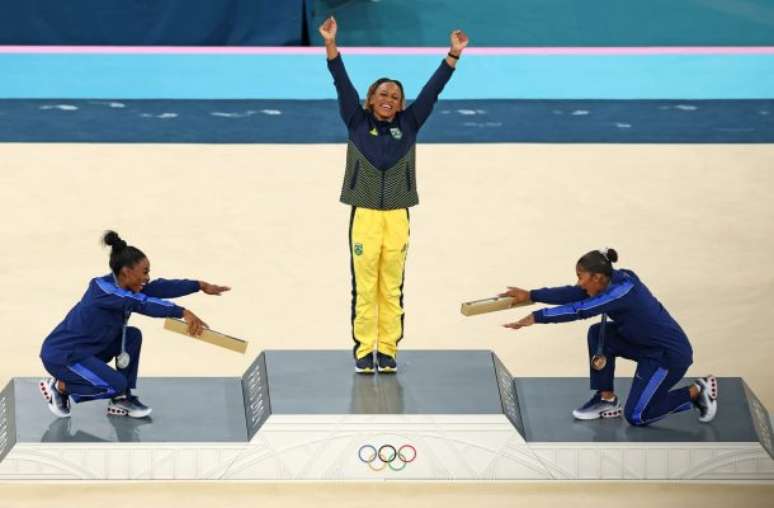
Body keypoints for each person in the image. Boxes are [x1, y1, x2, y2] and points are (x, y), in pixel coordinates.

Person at [319, 16, 469, 373]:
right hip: (365, 217)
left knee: (392, 286)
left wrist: (453, 55)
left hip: (398, 216)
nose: (389, 99)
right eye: (383, 94)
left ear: (402, 105)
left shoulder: (410, 123)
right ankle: (362, 349)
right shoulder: (356, 120)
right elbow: (341, 83)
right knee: (365, 285)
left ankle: (386, 350)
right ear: (370, 99)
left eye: (395, 97)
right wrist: (330, 45)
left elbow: (432, 91)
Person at [500, 248, 718, 426]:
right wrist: (531, 295)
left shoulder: (622, 291)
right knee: (598, 333)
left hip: (667, 356)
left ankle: (697, 391)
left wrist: (536, 317)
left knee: (637, 416)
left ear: (597, 277)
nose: (579, 283)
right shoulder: (607, 282)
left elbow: (580, 309)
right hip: (642, 344)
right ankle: (607, 399)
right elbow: (573, 294)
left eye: (581, 277)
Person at [38, 230, 230, 419]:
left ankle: (121, 399)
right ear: (126, 272)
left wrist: (199, 285)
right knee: (115, 384)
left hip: (90, 350)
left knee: (132, 335)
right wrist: (183, 312)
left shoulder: (130, 285)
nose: (147, 277)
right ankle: (61, 387)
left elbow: (161, 287)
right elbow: (141, 303)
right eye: (144, 272)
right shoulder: (102, 289)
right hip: (63, 355)